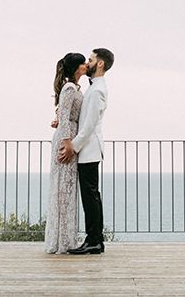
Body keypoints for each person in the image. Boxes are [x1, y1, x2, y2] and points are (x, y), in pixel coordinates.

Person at [58, 48, 114, 255]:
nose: (88, 63)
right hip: (88, 148)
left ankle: (94, 241)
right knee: (91, 196)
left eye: (90, 60)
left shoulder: (98, 90)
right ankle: (94, 240)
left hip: (89, 149)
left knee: (90, 197)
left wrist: (73, 145)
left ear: (100, 64)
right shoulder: (94, 88)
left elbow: (89, 124)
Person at [44, 52, 87, 254]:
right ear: (77, 67)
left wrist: (61, 125)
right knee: (64, 190)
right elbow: (63, 113)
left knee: (66, 190)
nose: (87, 65)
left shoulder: (74, 87)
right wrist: (67, 143)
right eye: (83, 63)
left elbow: (62, 114)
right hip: (66, 140)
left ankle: (64, 239)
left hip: (68, 134)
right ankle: (62, 241)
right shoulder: (70, 88)